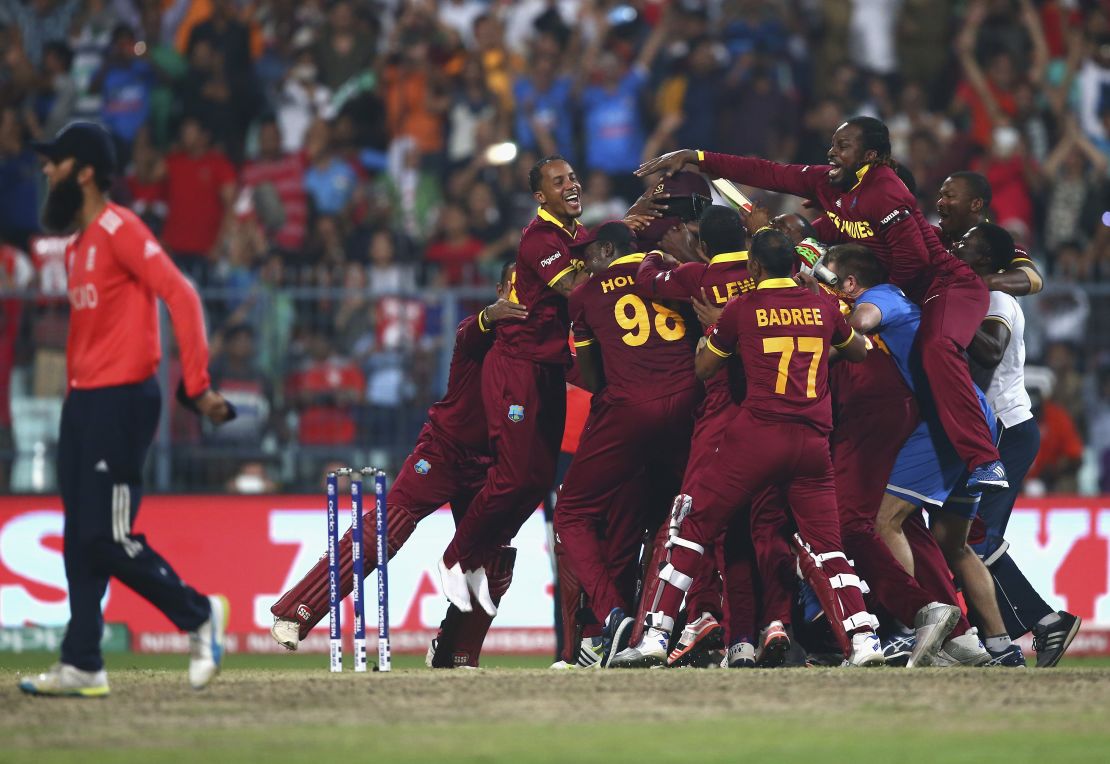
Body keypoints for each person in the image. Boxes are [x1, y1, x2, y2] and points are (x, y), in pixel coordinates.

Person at [637, 116, 1009, 492]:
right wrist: (697, 157)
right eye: (832, 143)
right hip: (895, 293)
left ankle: (985, 460)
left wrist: (877, 298)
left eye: (843, 146)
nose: (831, 152)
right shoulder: (831, 185)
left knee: (937, 346)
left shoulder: (884, 191)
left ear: (870, 156)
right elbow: (768, 172)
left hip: (945, 286)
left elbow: (915, 262)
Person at [19, 122, 234, 697]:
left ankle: (198, 615)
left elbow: (181, 294)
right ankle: (83, 660)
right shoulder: (79, 245)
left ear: (84, 171)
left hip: (122, 400)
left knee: (104, 537)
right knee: (77, 537)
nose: (46, 171)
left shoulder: (119, 228)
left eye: (55, 162)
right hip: (84, 402)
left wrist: (197, 385)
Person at [610, 229, 882, 669]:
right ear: (795, 266)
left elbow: (705, 367)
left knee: (693, 526)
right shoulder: (824, 307)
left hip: (757, 436)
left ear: (754, 268)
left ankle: (656, 636)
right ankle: (865, 639)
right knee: (826, 546)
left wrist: (713, 335)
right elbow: (857, 352)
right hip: (812, 444)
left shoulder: (743, 307)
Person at [270, 264, 528, 669]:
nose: (524, 295)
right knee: (387, 527)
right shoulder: (479, 330)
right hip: (445, 451)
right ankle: (295, 612)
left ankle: (454, 653)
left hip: (493, 462)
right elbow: (470, 332)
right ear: (500, 290)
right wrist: (492, 313)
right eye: (516, 285)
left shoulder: (544, 344)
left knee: (493, 558)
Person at [436, 155, 589, 615]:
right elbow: (576, 289)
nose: (571, 184)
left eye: (573, 177)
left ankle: (480, 557)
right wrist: (619, 247)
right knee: (510, 476)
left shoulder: (575, 237)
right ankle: (453, 558)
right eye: (559, 181)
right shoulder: (540, 239)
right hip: (517, 367)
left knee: (539, 480)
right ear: (540, 197)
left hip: (548, 370)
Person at [553, 221, 701, 667]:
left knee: (572, 512)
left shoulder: (585, 294)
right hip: (691, 403)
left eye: (588, 253)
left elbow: (595, 378)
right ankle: (668, 626)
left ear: (609, 250)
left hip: (629, 409)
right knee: (681, 514)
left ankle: (612, 617)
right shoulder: (675, 270)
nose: (582, 261)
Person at [824, 244, 978, 668]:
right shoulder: (876, 301)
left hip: (893, 413)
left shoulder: (878, 299)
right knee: (905, 523)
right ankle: (961, 637)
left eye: (827, 274)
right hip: (918, 414)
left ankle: (913, 621)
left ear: (850, 282)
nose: (820, 278)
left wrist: (813, 345)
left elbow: (858, 327)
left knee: (851, 523)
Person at [631, 204, 766, 668]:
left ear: (704, 246)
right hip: (772, 416)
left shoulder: (697, 277)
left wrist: (656, 256)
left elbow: (645, 281)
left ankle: (667, 628)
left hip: (718, 418)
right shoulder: (764, 278)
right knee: (748, 533)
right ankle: (749, 635)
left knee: (689, 523)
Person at [955, 223, 1081, 667]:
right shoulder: (980, 290)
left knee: (975, 540)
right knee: (965, 539)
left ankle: (1039, 626)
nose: (956, 248)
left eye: (965, 245)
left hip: (1003, 430)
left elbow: (986, 361)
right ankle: (1025, 629)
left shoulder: (996, 300)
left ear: (986, 259)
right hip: (995, 429)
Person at [935, 171, 1044, 296]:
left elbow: (1033, 279)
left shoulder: (997, 244)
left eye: (949, 196)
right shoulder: (934, 236)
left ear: (976, 204)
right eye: (940, 196)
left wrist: (971, 284)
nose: (940, 203)